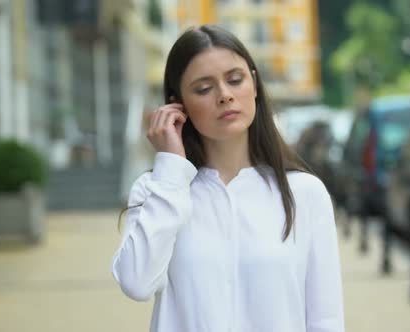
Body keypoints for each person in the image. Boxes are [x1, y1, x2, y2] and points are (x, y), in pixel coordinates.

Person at [112, 25, 344, 332]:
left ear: (255, 84)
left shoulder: (305, 193)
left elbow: (325, 319)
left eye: (235, 80)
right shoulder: (158, 190)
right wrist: (170, 167)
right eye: (204, 89)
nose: (225, 96)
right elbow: (136, 282)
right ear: (176, 103)